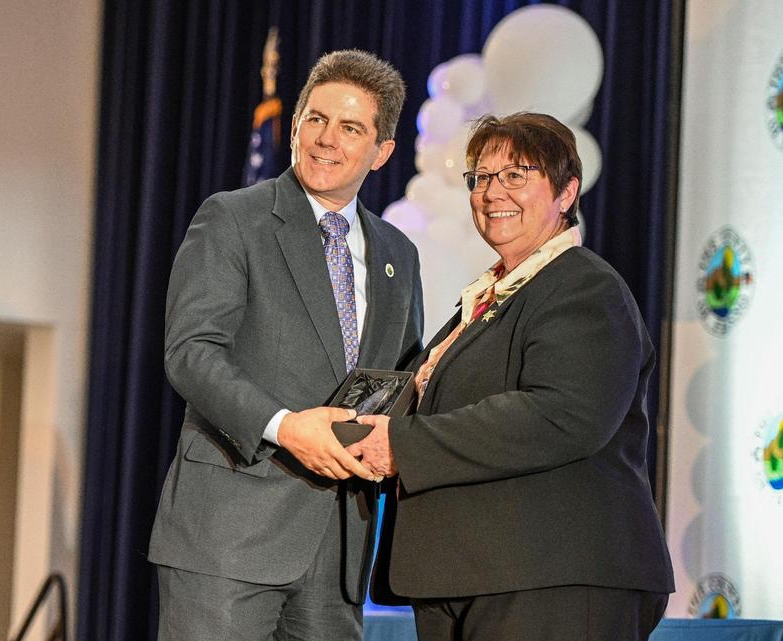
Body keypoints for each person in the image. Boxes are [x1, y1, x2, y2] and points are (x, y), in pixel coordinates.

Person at [350, 112, 674, 641]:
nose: (492, 191)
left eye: (516, 175)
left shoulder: (584, 287)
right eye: (480, 177)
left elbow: (560, 415)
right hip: (474, 575)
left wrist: (402, 445)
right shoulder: (490, 297)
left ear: (566, 192)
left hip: (554, 579)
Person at [149, 50, 424, 640]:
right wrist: (284, 425)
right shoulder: (233, 219)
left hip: (340, 548)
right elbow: (192, 352)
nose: (326, 139)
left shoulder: (400, 254)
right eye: (315, 119)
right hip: (227, 541)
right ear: (295, 124)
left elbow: (401, 378)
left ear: (382, 152)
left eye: (350, 127)